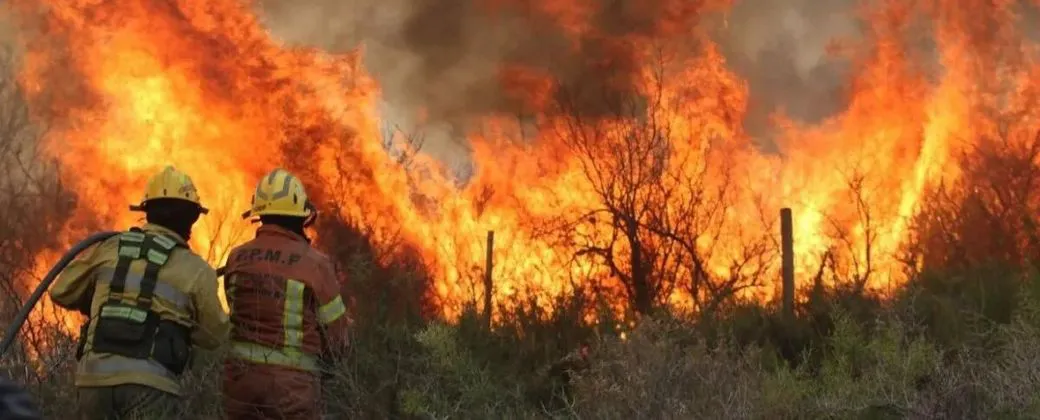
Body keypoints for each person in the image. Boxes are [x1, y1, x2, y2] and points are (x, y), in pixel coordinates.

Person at [49, 166, 230, 419]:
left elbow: (61, 291)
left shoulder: (110, 247)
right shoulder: (198, 271)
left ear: (146, 212)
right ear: (191, 219)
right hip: (151, 385)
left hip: (93, 380)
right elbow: (214, 336)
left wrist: (101, 301)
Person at [222, 168, 349, 420]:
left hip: (239, 386)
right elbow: (337, 335)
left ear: (260, 215)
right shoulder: (315, 264)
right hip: (292, 392)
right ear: (302, 218)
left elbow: (232, 308)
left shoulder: (237, 257)